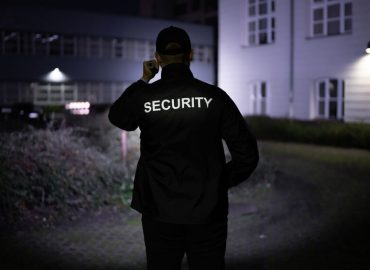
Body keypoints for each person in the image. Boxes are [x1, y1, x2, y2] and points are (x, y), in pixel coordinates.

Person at [108, 26, 259, 270]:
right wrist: (218, 182)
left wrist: (143, 80)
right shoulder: (214, 97)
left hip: (160, 213)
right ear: (190, 55)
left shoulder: (145, 97)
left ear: (157, 58)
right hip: (208, 213)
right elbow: (248, 155)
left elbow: (118, 116)